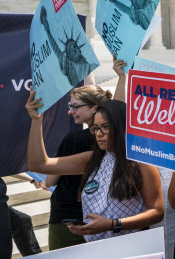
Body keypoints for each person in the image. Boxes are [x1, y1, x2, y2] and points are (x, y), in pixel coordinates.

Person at [26, 92, 164, 242]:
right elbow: (39, 165)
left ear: (121, 127)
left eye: (105, 127)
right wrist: (36, 120)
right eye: (95, 128)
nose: (99, 134)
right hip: (96, 248)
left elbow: (157, 211)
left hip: (132, 247)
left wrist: (113, 225)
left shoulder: (141, 162)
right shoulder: (93, 159)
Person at [46, 58, 126, 249]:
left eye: (75, 106)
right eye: (70, 106)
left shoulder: (74, 139)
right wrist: (122, 77)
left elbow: (50, 181)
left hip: (70, 219)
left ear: (94, 108)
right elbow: (118, 111)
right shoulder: (115, 136)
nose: (70, 111)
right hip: (102, 218)